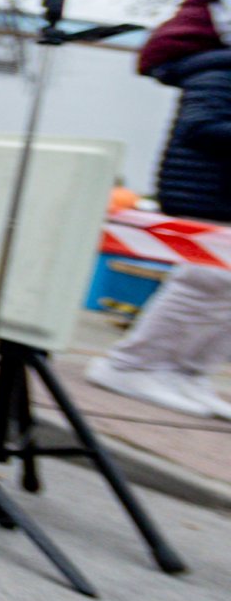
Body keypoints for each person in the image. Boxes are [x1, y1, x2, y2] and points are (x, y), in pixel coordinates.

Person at [89, 46, 231, 419]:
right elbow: (200, 126)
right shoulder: (219, 66)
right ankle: (129, 365)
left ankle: (186, 373)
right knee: (206, 281)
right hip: (206, 191)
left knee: (225, 291)